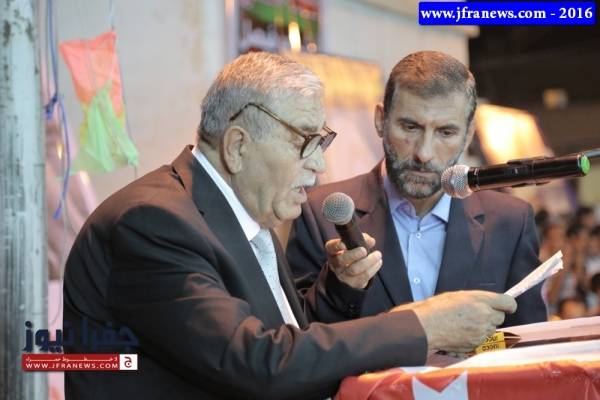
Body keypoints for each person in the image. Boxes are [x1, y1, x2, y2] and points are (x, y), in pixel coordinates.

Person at [63, 52, 517, 400]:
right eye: (306, 142)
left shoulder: (246, 217)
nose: (319, 165)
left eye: (322, 142)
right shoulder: (151, 223)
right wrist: (420, 325)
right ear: (238, 146)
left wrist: (339, 289)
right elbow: (256, 362)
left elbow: (290, 342)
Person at [287, 51, 546, 327]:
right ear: (381, 120)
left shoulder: (510, 221)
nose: (424, 153)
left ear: (468, 134)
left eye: (445, 132)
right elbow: (299, 336)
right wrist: (340, 287)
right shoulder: (318, 213)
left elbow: (527, 339)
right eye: (410, 127)